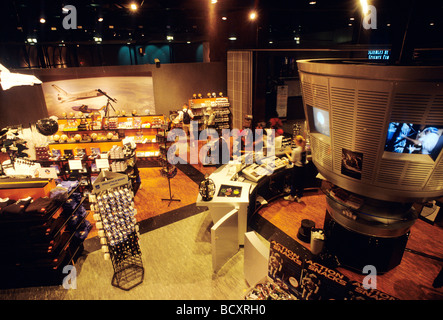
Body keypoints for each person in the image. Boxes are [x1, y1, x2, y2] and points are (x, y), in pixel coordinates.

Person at [284, 135, 307, 202]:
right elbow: (299, 156)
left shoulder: (296, 150)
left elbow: (293, 160)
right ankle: (299, 197)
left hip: (297, 169)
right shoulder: (303, 149)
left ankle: (291, 196)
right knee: (301, 183)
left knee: (294, 182)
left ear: (296, 141)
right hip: (304, 168)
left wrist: (287, 154)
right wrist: (291, 152)